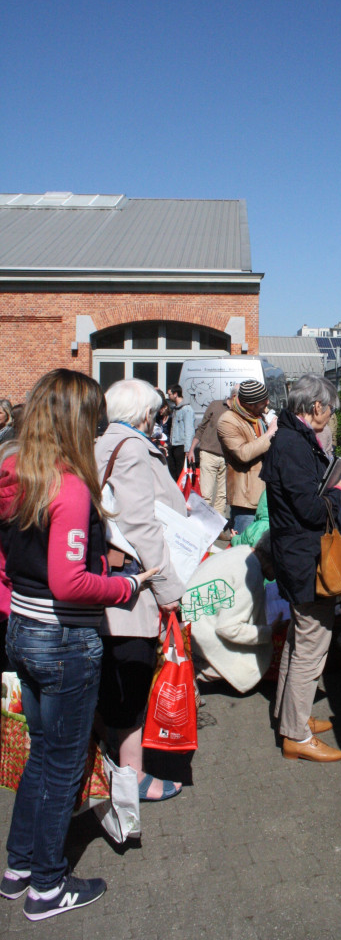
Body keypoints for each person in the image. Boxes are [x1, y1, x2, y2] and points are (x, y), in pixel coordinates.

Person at [0, 369, 156, 920]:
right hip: (64, 638)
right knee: (63, 765)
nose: (100, 428)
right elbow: (70, 580)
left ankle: (19, 865)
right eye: (94, 418)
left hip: (23, 630)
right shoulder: (69, 485)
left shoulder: (14, 470)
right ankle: (47, 885)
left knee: (40, 757)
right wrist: (127, 585)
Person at [260, 374, 341, 763]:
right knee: (311, 644)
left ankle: (290, 717)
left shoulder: (292, 437)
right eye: (330, 409)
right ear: (315, 408)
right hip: (305, 558)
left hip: (298, 554)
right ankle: (295, 734)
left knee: (300, 639)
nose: (331, 415)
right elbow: (311, 510)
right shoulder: (293, 444)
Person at [95, 379, 188, 802]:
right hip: (134, 582)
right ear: (145, 414)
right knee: (130, 678)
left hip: (113, 580)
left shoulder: (103, 441)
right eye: (154, 414)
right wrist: (168, 586)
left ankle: (114, 769)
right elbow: (140, 523)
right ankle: (132, 779)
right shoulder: (131, 447)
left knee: (116, 679)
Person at [189, 533, 277, 692]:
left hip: (190, 619)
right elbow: (228, 628)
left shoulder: (241, 553)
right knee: (249, 663)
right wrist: (269, 632)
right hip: (198, 634)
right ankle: (197, 672)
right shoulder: (251, 575)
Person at [217, 380, 278, 533]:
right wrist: (270, 433)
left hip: (265, 495)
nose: (267, 403)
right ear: (250, 404)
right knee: (245, 549)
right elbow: (243, 454)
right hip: (246, 499)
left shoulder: (257, 416)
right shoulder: (227, 421)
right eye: (262, 402)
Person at [187, 393, 231, 517]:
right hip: (208, 453)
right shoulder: (215, 405)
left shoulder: (238, 412)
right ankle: (201, 522)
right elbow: (201, 428)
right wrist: (191, 449)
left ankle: (217, 525)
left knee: (222, 495)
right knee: (206, 494)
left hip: (226, 458)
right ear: (234, 397)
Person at [166, 384, 195, 480]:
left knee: (181, 473)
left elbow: (189, 430)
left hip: (181, 446)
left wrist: (188, 449)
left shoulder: (186, 409)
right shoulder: (176, 409)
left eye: (169, 394)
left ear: (175, 394)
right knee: (173, 472)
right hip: (174, 445)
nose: (168, 397)